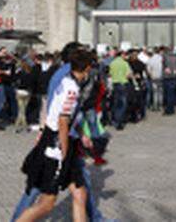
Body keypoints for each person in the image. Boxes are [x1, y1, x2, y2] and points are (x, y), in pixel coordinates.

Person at [15, 47, 96, 222]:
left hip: (64, 141)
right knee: (47, 203)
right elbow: (62, 121)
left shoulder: (66, 81)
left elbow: (67, 115)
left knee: (80, 193)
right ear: (88, 68)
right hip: (57, 144)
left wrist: (81, 134)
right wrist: (65, 153)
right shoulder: (72, 88)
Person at [107, 49, 132, 131]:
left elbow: (110, 74)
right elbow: (128, 75)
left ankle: (113, 119)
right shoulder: (125, 63)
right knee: (123, 104)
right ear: (121, 55)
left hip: (115, 84)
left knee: (116, 103)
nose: (126, 56)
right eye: (125, 55)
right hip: (123, 84)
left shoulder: (112, 63)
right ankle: (119, 122)